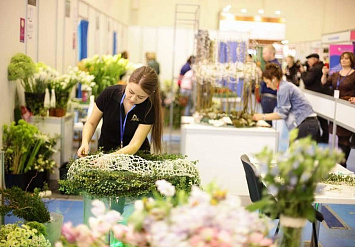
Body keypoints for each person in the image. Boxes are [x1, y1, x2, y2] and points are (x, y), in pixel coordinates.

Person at [77, 66, 163, 157]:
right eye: (131, 92)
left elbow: (134, 145)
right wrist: (85, 142)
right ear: (127, 82)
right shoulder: (109, 94)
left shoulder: (149, 108)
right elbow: (91, 123)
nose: (133, 99)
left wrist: (109, 158)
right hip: (105, 152)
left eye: (140, 97)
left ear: (149, 94)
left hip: (136, 158)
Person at [253, 63, 319, 141]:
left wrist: (262, 116)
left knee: (298, 152)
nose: (267, 86)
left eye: (267, 82)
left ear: (273, 79)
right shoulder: (284, 87)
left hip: (306, 124)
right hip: (305, 124)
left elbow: (282, 114)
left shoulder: (284, 88)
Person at [321, 51, 355, 167]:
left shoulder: (354, 74)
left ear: (351, 60)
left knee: (345, 136)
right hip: (336, 107)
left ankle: (342, 162)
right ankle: (339, 161)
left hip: (348, 107)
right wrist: (324, 74)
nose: (343, 60)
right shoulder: (336, 74)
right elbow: (324, 83)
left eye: (346, 58)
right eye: (342, 58)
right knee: (338, 134)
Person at [300, 53, 332, 144]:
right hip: (321, 97)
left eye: (309, 60)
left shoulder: (316, 69)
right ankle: (323, 137)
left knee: (319, 119)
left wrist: (303, 72)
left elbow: (307, 81)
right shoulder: (318, 67)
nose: (308, 62)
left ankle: (321, 138)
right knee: (322, 119)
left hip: (318, 98)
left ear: (314, 59)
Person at [260, 45, 280, 125]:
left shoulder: (274, 66)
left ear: (271, 53)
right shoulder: (270, 65)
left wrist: (260, 73)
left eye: (264, 53)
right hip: (267, 96)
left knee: (267, 120)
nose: (263, 55)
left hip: (270, 96)